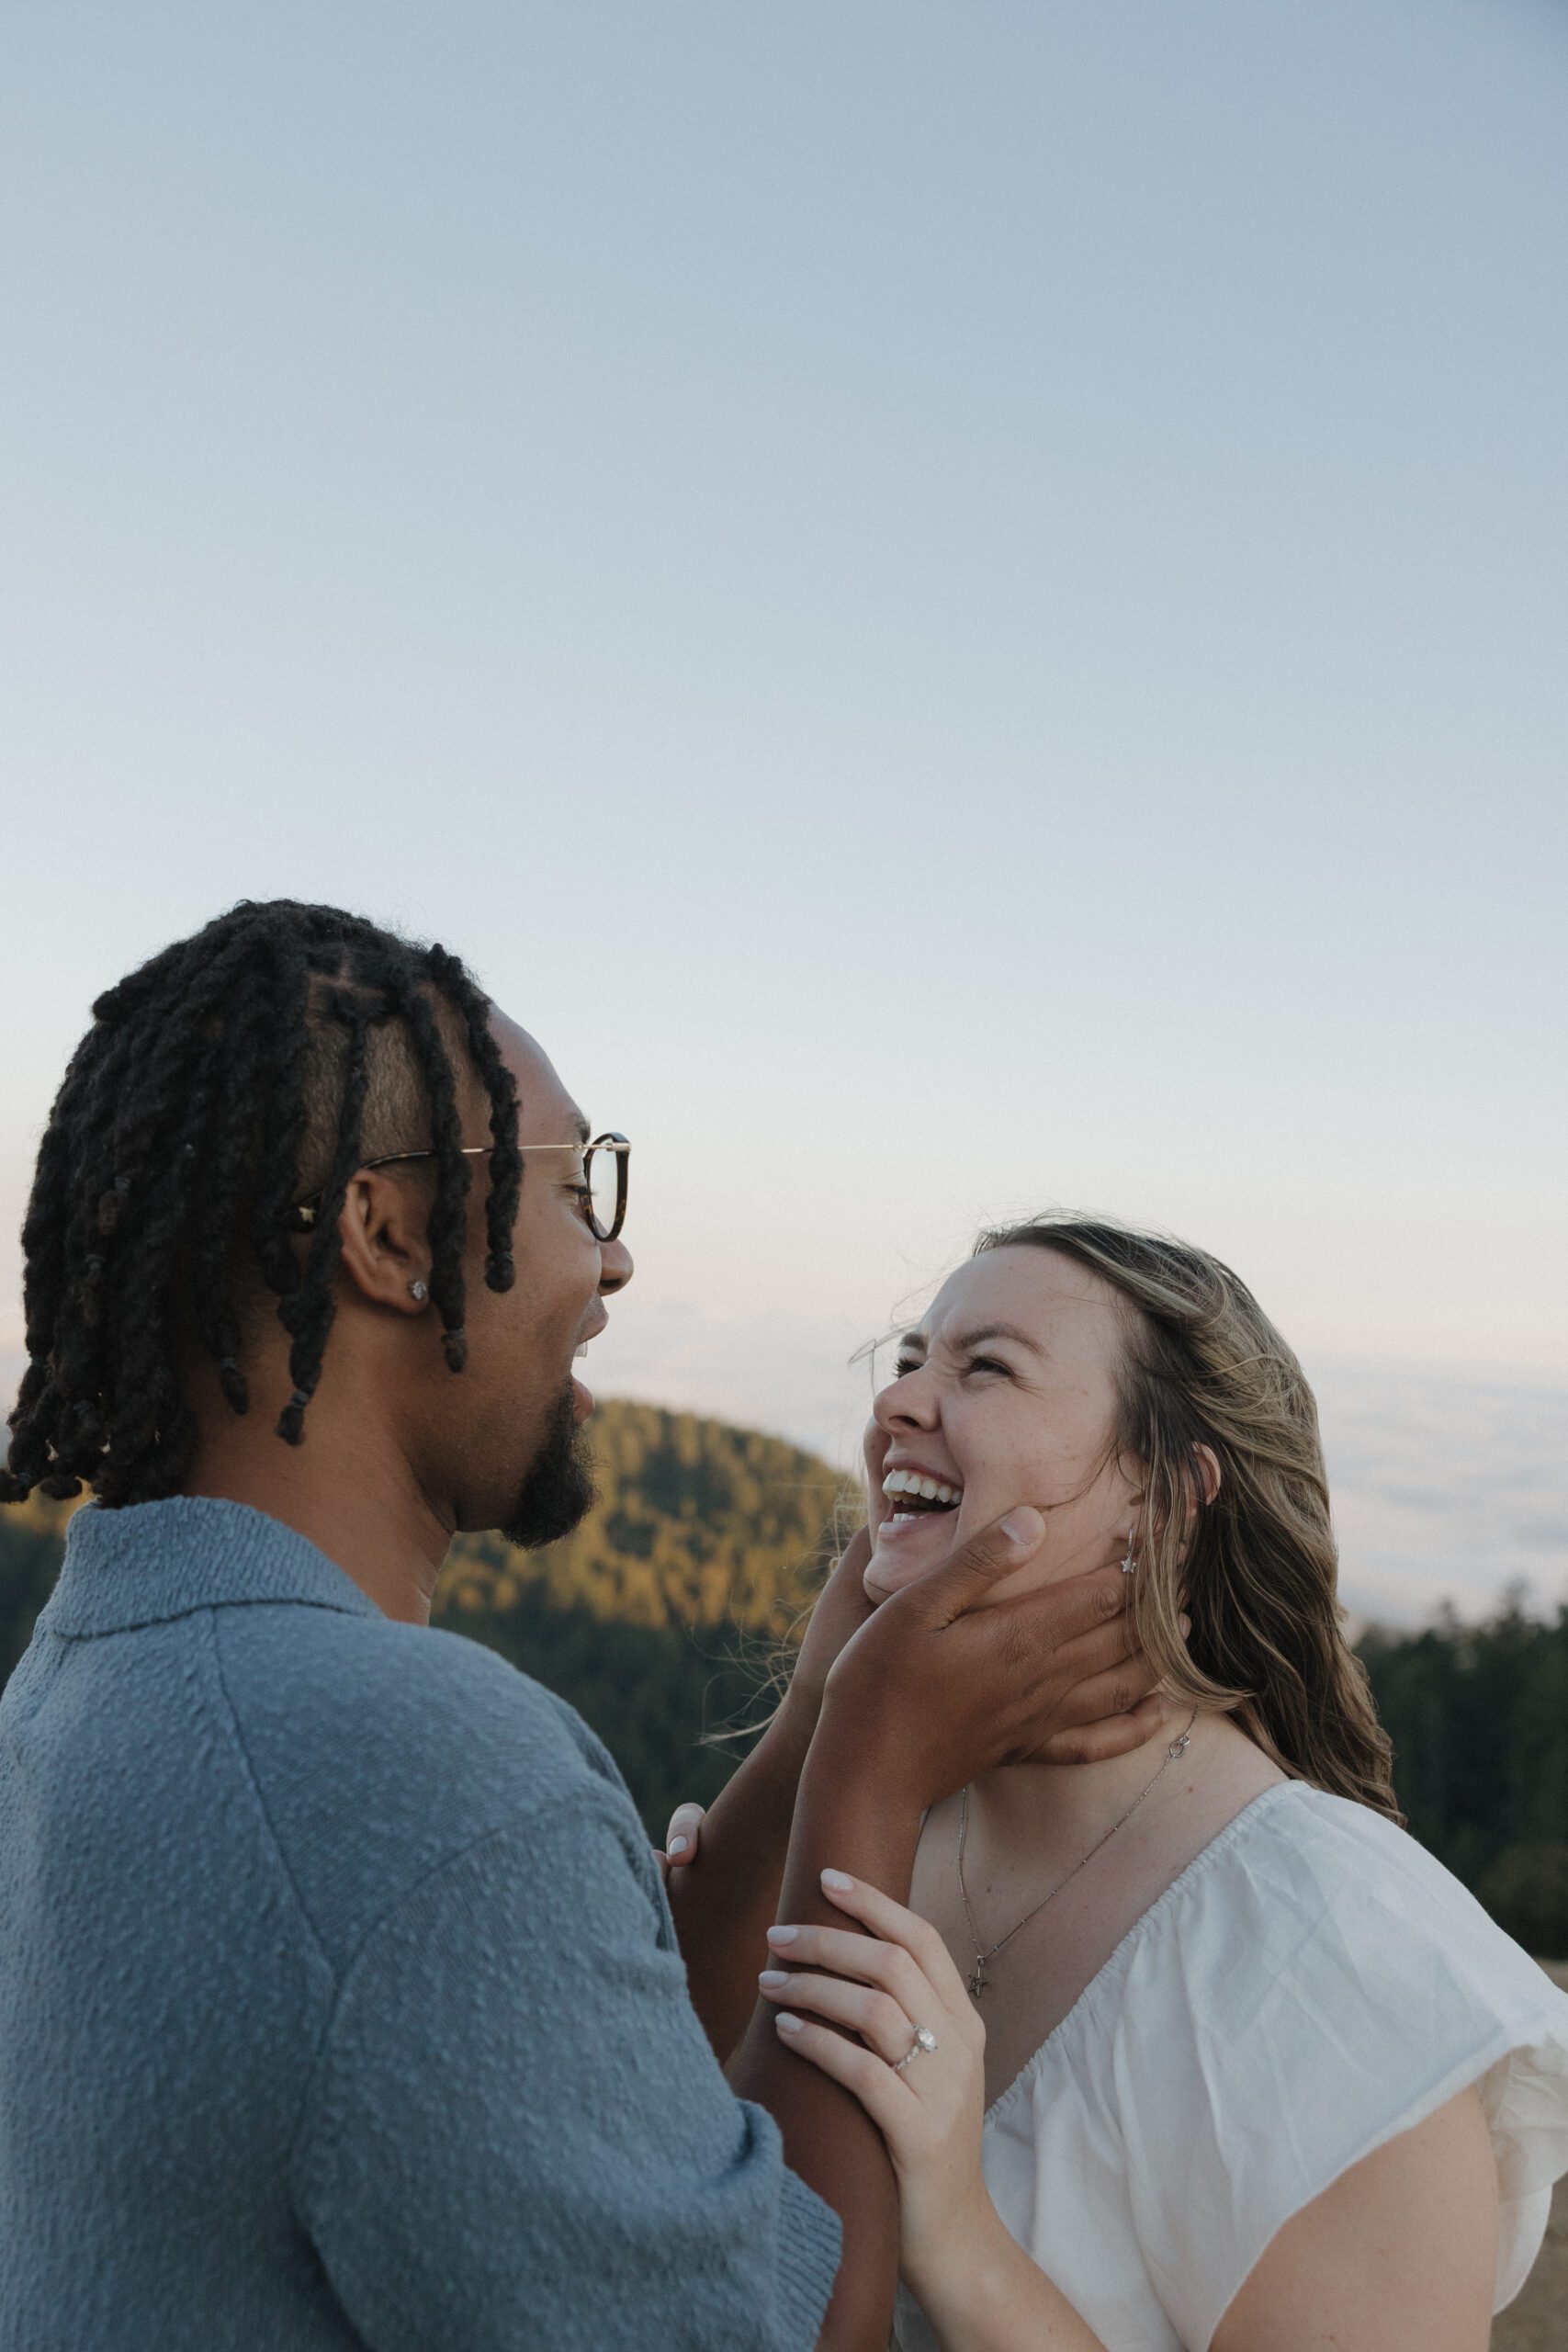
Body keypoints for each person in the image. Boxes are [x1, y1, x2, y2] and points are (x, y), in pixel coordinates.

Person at [0, 901, 1166, 2352]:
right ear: (387, 1235)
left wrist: (809, 1721)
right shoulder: (414, 1766)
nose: (608, 1264)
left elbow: (564, 2090)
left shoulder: (92, 1685)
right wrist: (873, 1764)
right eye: (573, 1189)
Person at [679, 1217, 1568, 2351]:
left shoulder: (1343, 1975)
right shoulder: (869, 1814)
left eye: (984, 1367)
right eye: (909, 1363)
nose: (897, 1406)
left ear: (1167, 1492)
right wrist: (820, 1728)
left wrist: (962, 2239)